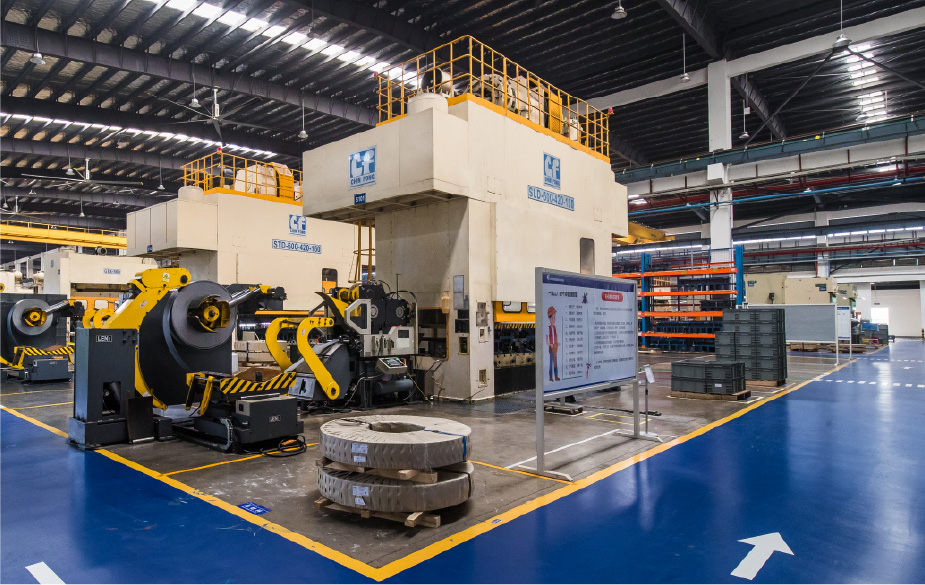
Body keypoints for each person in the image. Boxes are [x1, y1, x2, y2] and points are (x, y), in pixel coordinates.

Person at [546, 306, 560, 382]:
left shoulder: (555, 328)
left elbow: (556, 337)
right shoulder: (548, 328)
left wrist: (557, 342)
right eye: (553, 317)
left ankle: (556, 375)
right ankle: (550, 377)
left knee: (555, 362)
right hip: (551, 348)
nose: (554, 319)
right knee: (551, 363)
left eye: (555, 317)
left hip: (555, 347)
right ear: (549, 318)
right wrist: (549, 344)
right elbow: (546, 339)